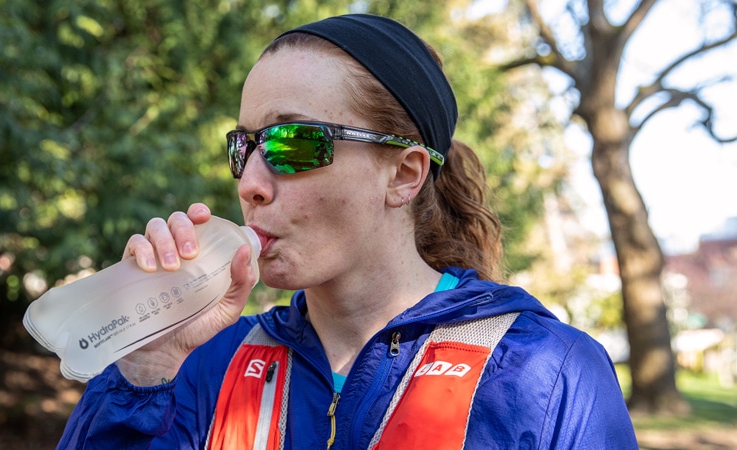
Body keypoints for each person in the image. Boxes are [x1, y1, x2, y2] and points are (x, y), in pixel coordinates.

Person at [58, 14, 638, 449]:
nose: (250, 183)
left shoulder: (545, 370)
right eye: (245, 146)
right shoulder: (205, 363)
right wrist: (146, 368)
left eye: (292, 143)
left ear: (403, 175)